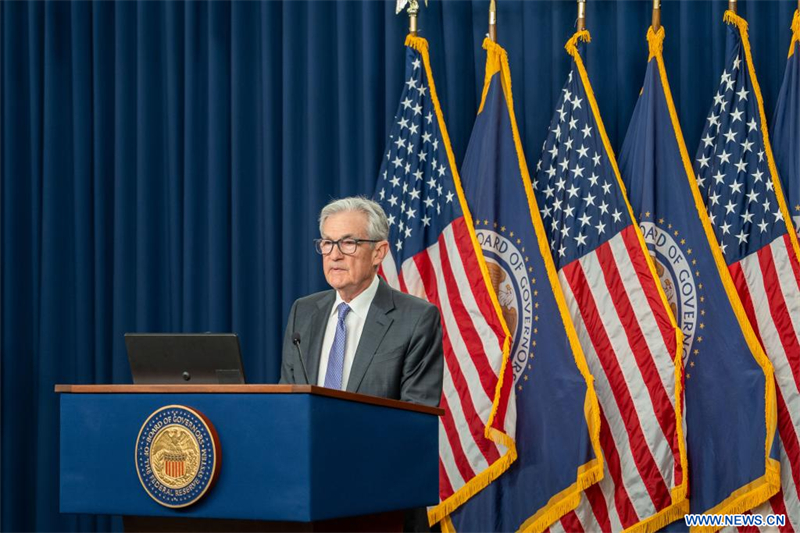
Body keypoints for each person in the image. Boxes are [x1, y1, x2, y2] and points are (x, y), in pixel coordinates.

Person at [279, 196, 443, 408]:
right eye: (327, 243)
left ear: (378, 252)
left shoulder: (416, 319)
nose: (334, 255)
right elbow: (287, 400)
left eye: (348, 243)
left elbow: (417, 415)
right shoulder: (303, 311)